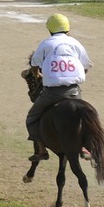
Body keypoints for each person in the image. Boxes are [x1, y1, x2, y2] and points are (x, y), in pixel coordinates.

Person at [24, 13, 92, 159]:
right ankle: (85, 147)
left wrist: (37, 75)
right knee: (86, 117)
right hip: (74, 91)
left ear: (49, 29)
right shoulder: (75, 43)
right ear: (68, 28)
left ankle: (41, 150)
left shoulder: (46, 43)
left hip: (52, 93)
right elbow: (86, 66)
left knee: (32, 117)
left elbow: (34, 64)